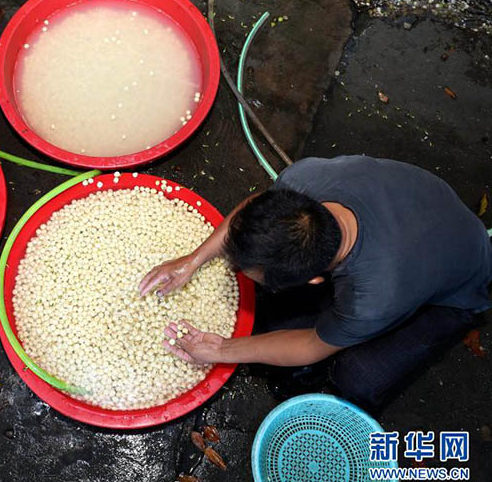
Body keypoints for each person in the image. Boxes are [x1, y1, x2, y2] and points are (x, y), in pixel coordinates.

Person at [139, 155, 492, 410]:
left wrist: (220, 350)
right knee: (272, 322)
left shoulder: (374, 298)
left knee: (357, 378)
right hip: (427, 209)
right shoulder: (303, 181)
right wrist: (194, 259)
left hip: (460, 282)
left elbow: (311, 344)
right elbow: (255, 210)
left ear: (315, 280)